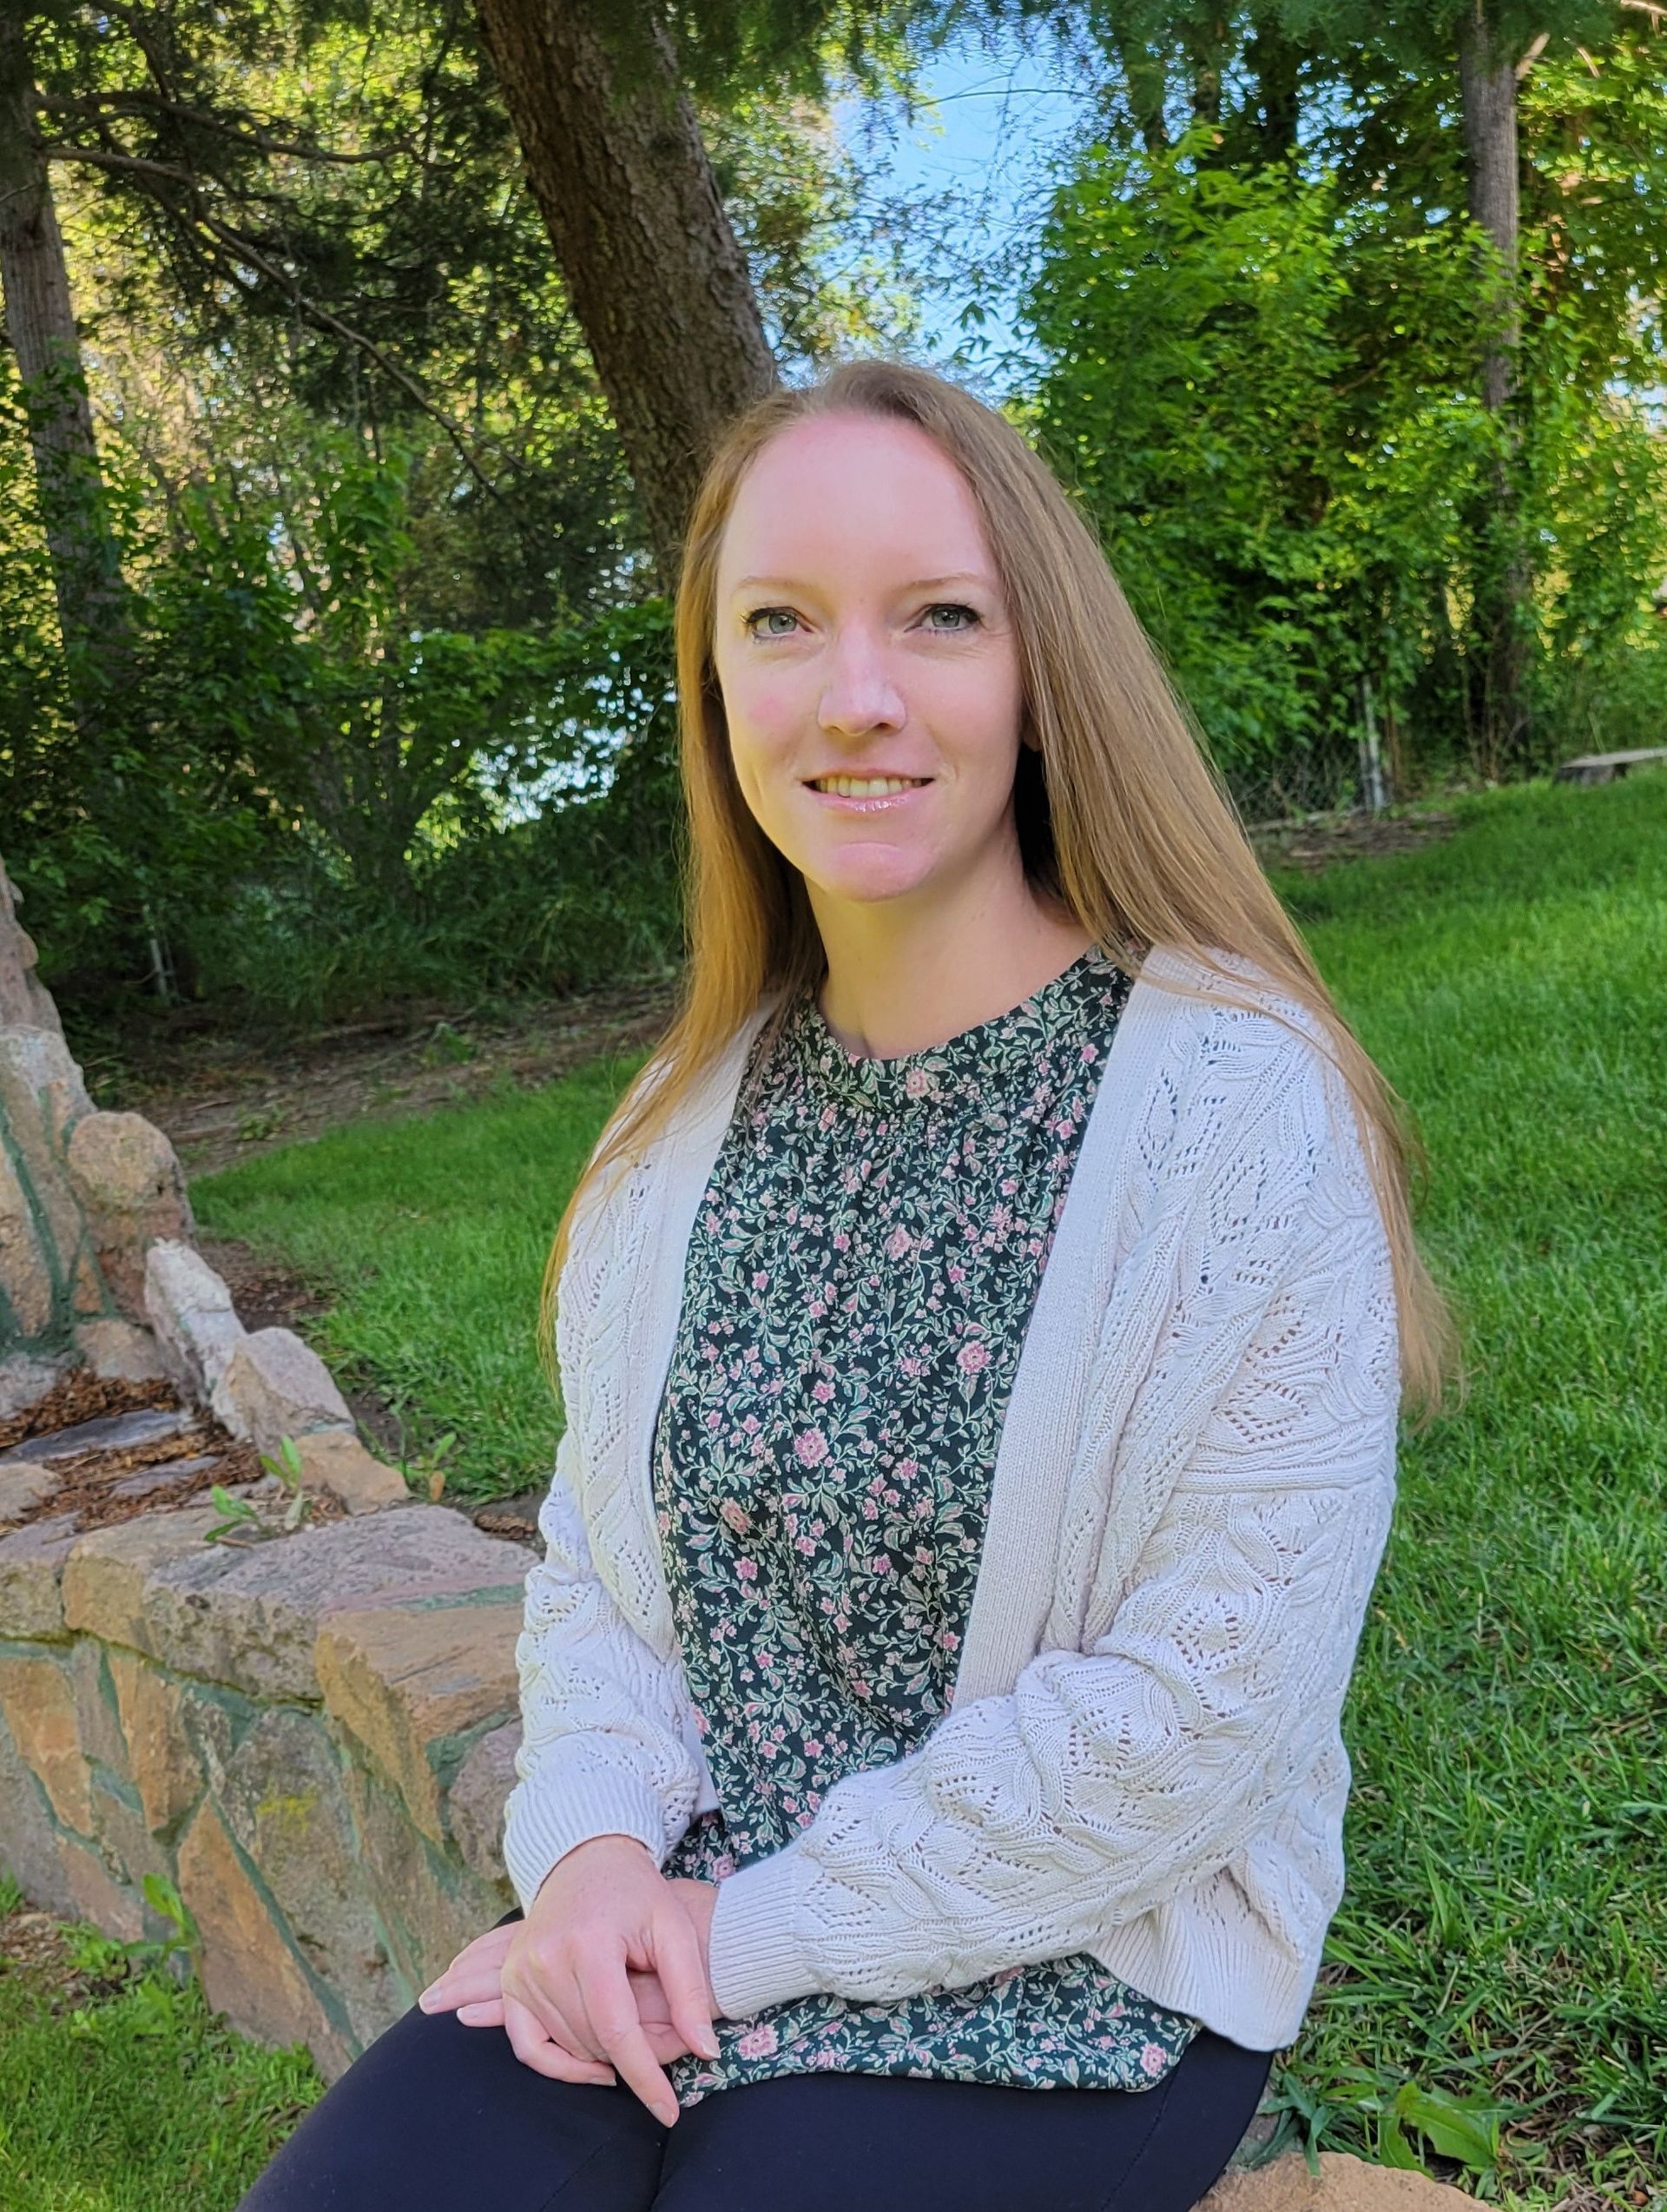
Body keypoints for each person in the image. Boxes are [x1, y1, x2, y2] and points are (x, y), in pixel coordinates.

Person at [239, 358, 1457, 2212]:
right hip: (684, 1911)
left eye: (940, 618)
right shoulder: (677, 1125)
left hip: (1076, 1965)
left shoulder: (1233, 1107)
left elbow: (1203, 1707)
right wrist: (580, 1868)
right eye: (782, 622)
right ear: (718, 683)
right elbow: (603, 1578)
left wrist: (732, 1940)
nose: (858, 694)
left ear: (1040, 675)